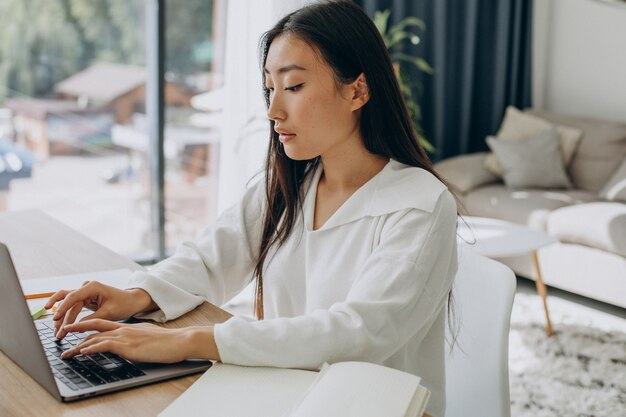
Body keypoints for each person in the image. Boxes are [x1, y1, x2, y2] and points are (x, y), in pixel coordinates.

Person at [45, 1, 458, 416]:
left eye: (293, 87)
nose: (274, 111)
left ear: (357, 91)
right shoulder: (291, 186)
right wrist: (138, 294)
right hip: (286, 392)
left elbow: (358, 332)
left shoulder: (419, 205)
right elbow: (210, 260)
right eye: (269, 89)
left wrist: (190, 341)